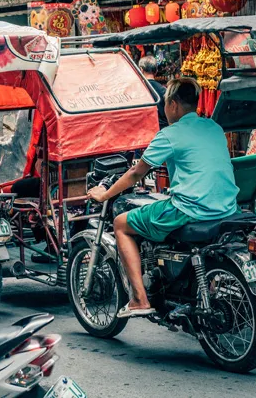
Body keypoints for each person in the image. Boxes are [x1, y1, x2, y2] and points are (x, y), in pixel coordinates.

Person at [88, 77, 239, 318]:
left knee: (121, 224)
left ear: (174, 104)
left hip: (191, 210)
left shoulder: (170, 134)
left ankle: (139, 299)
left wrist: (105, 193)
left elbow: (137, 172)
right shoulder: (214, 127)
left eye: (166, 103)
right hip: (227, 208)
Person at [138, 55, 168, 128]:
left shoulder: (137, 90)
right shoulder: (164, 90)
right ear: (156, 71)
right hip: (162, 129)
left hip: (144, 129)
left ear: (141, 70)